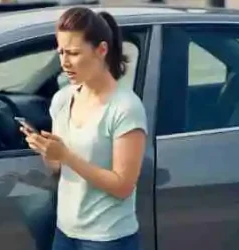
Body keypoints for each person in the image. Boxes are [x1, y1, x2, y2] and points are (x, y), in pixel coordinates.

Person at [20, 6, 148, 250]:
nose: (65, 62)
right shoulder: (62, 100)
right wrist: (48, 152)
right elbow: (59, 169)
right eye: (61, 52)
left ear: (101, 50)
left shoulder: (125, 107)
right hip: (65, 233)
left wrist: (66, 155)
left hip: (108, 238)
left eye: (74, 53)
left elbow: (123, 186)